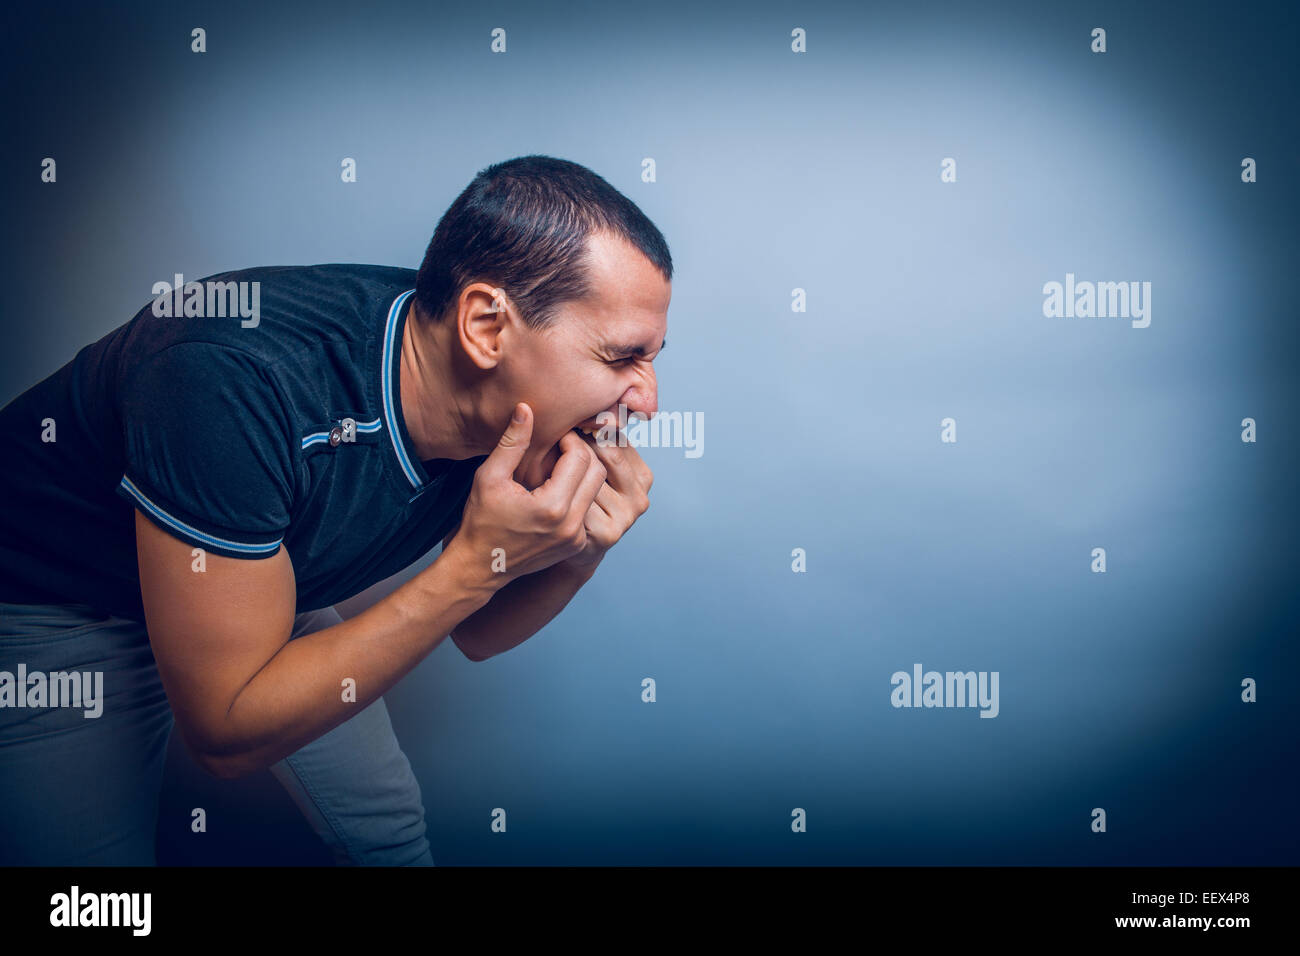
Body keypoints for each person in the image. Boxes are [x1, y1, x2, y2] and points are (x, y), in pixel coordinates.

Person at [0, 154, 672, 865]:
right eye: (622, 358)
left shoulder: (514, 403)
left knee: (387, 829)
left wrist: (577, 553)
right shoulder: (231, 380)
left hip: (263, 571)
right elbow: (223, 734)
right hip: (53, 610)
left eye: (654, 357)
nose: (649, 400)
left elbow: (474, 631)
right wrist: (473, 564)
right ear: (485, 327)